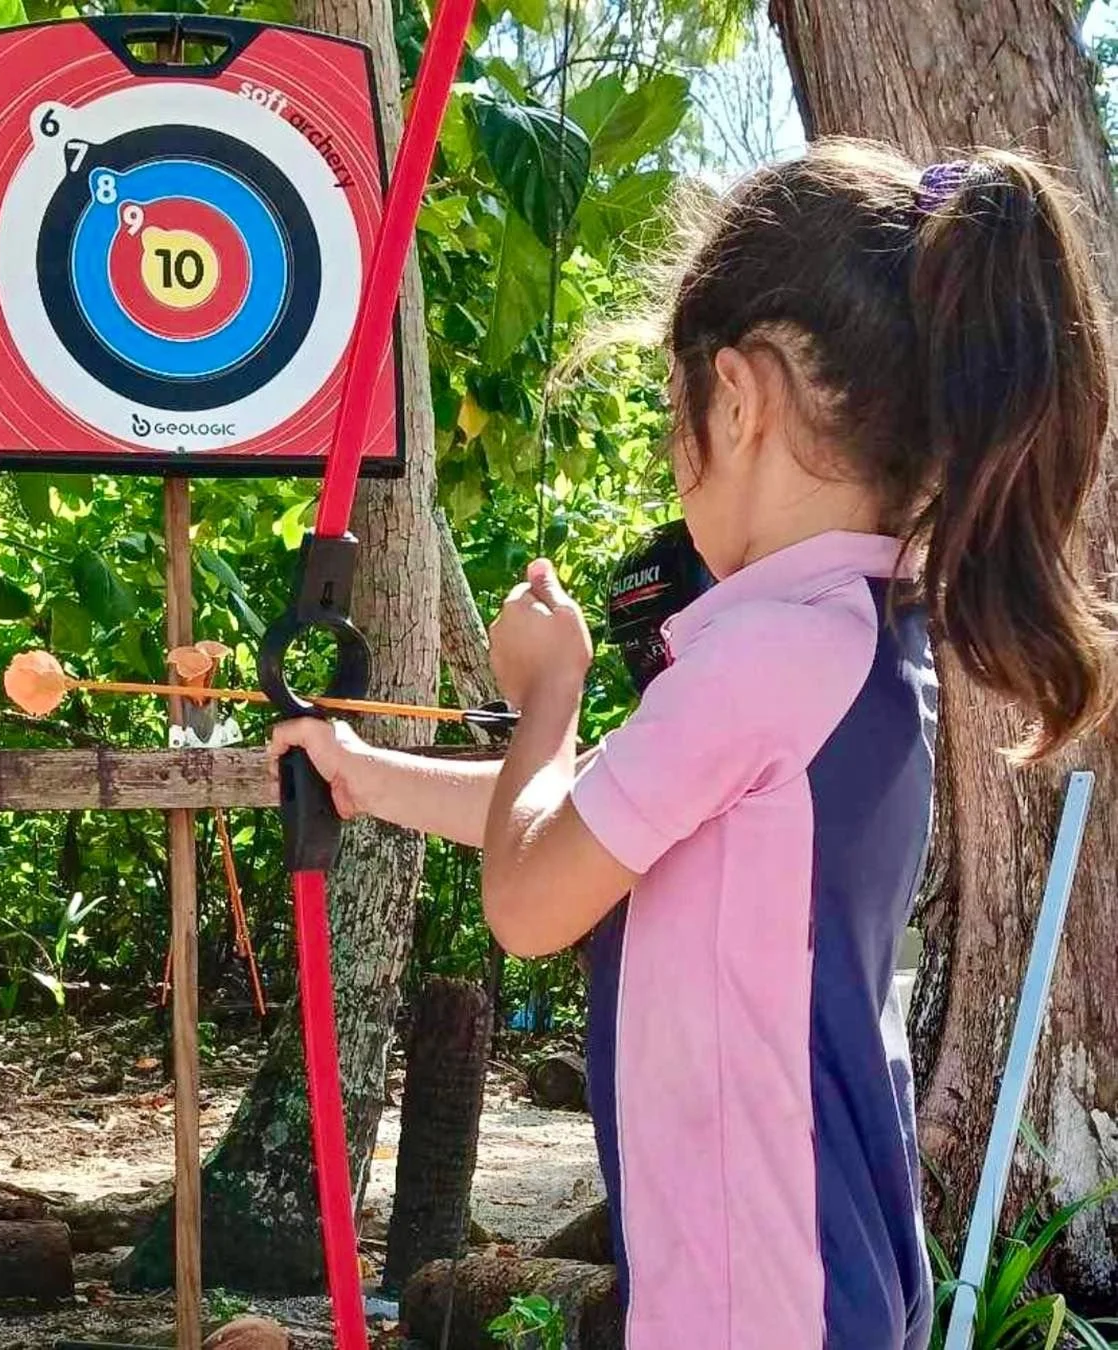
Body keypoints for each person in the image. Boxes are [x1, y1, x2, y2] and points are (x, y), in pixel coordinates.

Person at [270, 140, 1114, 1349]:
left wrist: (549, 692)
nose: (681, 451)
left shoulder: (764, 662)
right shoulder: (852, 642)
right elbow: (590, 823)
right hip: (814, 1281)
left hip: (755, 1301)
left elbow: (531, 895)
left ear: (739, 395)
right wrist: (362, 775)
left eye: (678, 411)